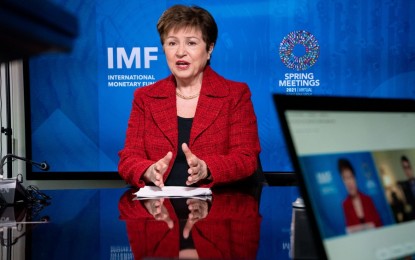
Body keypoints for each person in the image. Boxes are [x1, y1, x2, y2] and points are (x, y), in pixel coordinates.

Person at [118, 5, 261, 188]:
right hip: (157, 210)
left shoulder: (235, 95)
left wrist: (207, 168)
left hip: (217, 208)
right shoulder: (145, 97)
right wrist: (148, 170)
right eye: (172, 43)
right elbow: (128, 159)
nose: (180, 52)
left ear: (209, 49)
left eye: (191, 43)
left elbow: (246, 159)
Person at [338, 158, 382, 233]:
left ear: (355, 178)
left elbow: (379, 226)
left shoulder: (368, 200)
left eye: (350, 177)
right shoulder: (345, 205)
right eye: (344, 179)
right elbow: (350, 232)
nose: (348, 182)